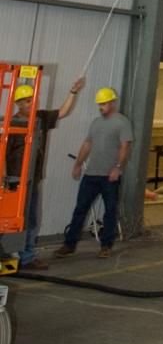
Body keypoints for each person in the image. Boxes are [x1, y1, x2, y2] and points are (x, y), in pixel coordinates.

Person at [2, 76, 85, 269]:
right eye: (28, 101)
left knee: (30, 219)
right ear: (19, 104)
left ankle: (27, 257)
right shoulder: (12, 124)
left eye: (33, 99)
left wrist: (73, 92)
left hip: (33, 179)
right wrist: (4, 181)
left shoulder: (40, 119)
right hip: (14, 181)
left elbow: (63, 112)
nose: (33, 103)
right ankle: (5, 253)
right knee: (9, 219)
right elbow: (3, 155)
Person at [54, 87, 133, 258]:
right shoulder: (96, 123)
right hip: (91, 175)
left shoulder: (122, 123)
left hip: (109, 176)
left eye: (104, 104)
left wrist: (117, 167)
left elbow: (125, 146)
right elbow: (87, 144)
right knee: (80, 209)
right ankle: (69, 245)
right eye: (99, 104)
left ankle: (106, 246)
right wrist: (77, 164)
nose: (101, 107)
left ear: (112, 102)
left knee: (110, 211)